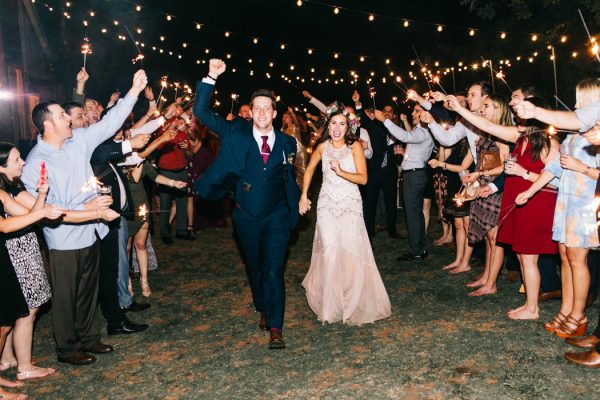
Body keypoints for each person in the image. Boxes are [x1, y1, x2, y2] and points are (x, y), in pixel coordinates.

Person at [21, 70, 148, 365]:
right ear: (47, 124)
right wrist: (94, 210)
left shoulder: (78, 141)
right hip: (64, 241)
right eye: (61, 116)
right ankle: (67, 348)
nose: (69, 118)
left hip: (92, 232)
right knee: (66, 297)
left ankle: (90, 337)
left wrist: (133, 92)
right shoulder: (37, 163)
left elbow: (110, 123)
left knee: (89, 291)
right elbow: (52, 212)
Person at [193, 59, 300, 349]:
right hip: (246, 216)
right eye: (258, 108)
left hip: (277, 215)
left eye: (268, 108)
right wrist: (211, 77)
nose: (263, 112)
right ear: (251, 112)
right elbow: (201, 112)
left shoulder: (288, 144)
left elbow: (291, 178)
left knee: (273, 270)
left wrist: (298, 203)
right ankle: (263, 306)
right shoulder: (235, 131)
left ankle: (276, 327)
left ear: (275, 113)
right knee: (255, 267)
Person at [446, 95, 559, 317]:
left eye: (523, 111)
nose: (517, 114)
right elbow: (486, 125)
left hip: (535, 203)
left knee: (528, 257)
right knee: (520, 256)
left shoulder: (549, 142)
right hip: (516, 202)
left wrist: (524, 174)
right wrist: (459, 109)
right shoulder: (519, 136)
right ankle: (529, 304)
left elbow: (556, 180)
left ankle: (533, 308)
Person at [515, 79, 600, 343]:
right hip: (566, 200)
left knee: (577, 258)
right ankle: (566, 309)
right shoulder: (574, 134)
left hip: (585, 201)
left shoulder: (595, 133)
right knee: (564, 255)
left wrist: (580, 166)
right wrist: (529, 191)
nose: (575, 103)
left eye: (579, 98)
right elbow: (554, 168)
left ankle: (579, 315)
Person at [300, 106, 391, 325]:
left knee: (350, 253)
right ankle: (331, 306)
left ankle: (353, 301)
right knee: (330, 251)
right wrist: (303, 195)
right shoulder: (322, 147)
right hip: (327, 206)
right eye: (333, 123)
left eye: (342, 123)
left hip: (350, 204)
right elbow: (309, 169)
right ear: (327, 125)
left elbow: (363, 179)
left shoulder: (355, 146)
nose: (337, 128)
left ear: (348, 126)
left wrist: (341, 171)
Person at [375, 105, 434, 260]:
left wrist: (384, 120)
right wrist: (405, 154)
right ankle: (420, 248)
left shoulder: (424, 130)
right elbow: (412, 142)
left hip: (414, 177)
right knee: (416, 214)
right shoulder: (419, 130)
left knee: (412, 215)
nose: (413, 113)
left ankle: (416, 251)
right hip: (415, 174)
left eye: (416, 111)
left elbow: (404, 136)